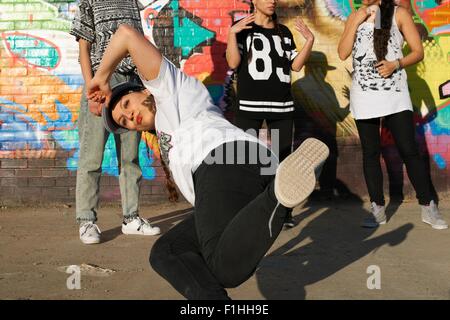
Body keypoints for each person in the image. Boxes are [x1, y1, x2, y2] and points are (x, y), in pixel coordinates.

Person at [87, 24, 329, 299]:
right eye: (124, 121)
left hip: (223, 159)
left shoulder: (169, 91)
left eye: (128, 105)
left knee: (225, 269)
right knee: (168, 252)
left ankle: (278, 195)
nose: (130, 117)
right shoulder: (168, 128)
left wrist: (101, 77)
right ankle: (278, 190)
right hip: (243, 166)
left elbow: (126, 35)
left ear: (144, 91)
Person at [337, 0, 448, 229]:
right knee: (370, 153)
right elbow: (342, 52)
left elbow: (418, 52)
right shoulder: (355, 17)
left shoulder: (399, 14)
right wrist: (355, 21)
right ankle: (377, 209)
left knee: (409, 150)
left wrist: (396, 64)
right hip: (363, 95)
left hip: (394, 95)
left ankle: (428, 207)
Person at [70, 0, 161, 245]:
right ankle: (86, 220)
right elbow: (83, 48)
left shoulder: (132, 1)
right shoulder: (89, 1)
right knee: (91, 157)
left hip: (131, 84)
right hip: (102, 82)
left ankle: (131, 218)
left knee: (130, 158)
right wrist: (92, 90)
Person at [226, 0, 315, 227]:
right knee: (244, 158)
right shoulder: (243, 28)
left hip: (281, 107)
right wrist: (231, 34)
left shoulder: (283, 32)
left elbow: (295, 66)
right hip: (249, 106)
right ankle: (243, 211)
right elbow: (233, 62)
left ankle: (282, 212)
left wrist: (310, 42)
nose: (272, 1)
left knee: (281, 160)